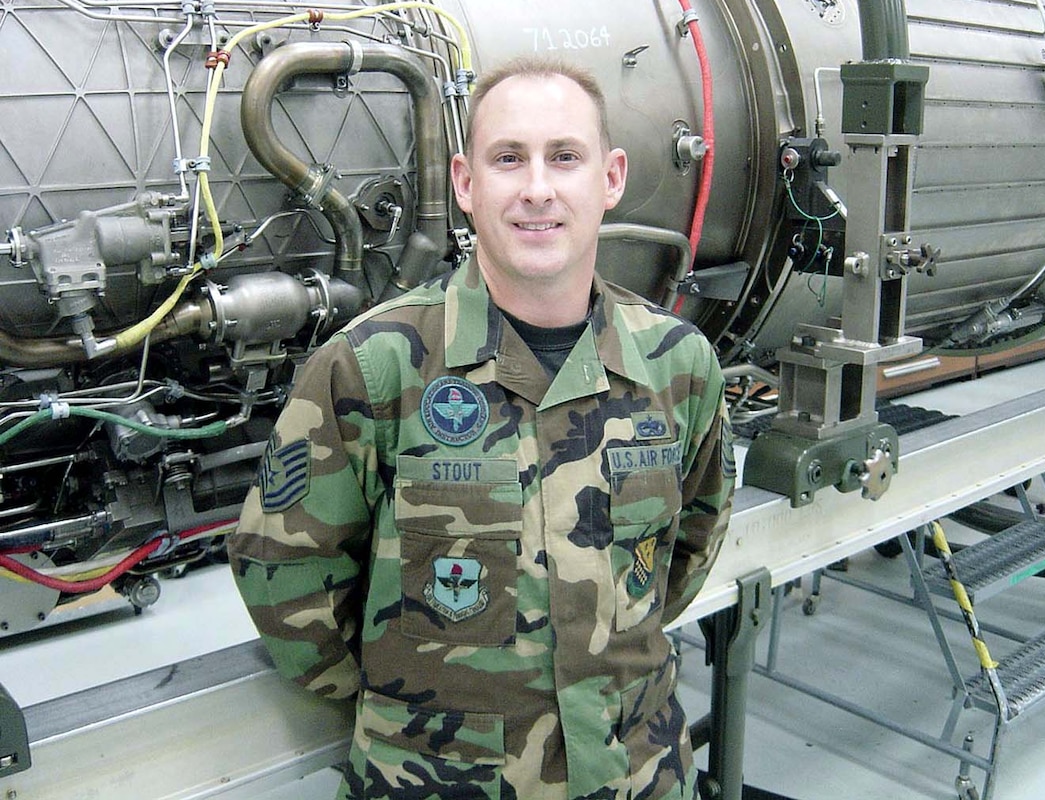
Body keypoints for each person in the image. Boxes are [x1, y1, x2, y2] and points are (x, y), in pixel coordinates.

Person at [228, 56, 735, 800]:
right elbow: (285, 577)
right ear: (465, 183)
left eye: (565, 157)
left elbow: (685, 551)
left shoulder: (677, 364)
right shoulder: (375, 367)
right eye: (508, 159)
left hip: (639, 774)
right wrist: (414, 709)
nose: (537, 188)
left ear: (612, 177)